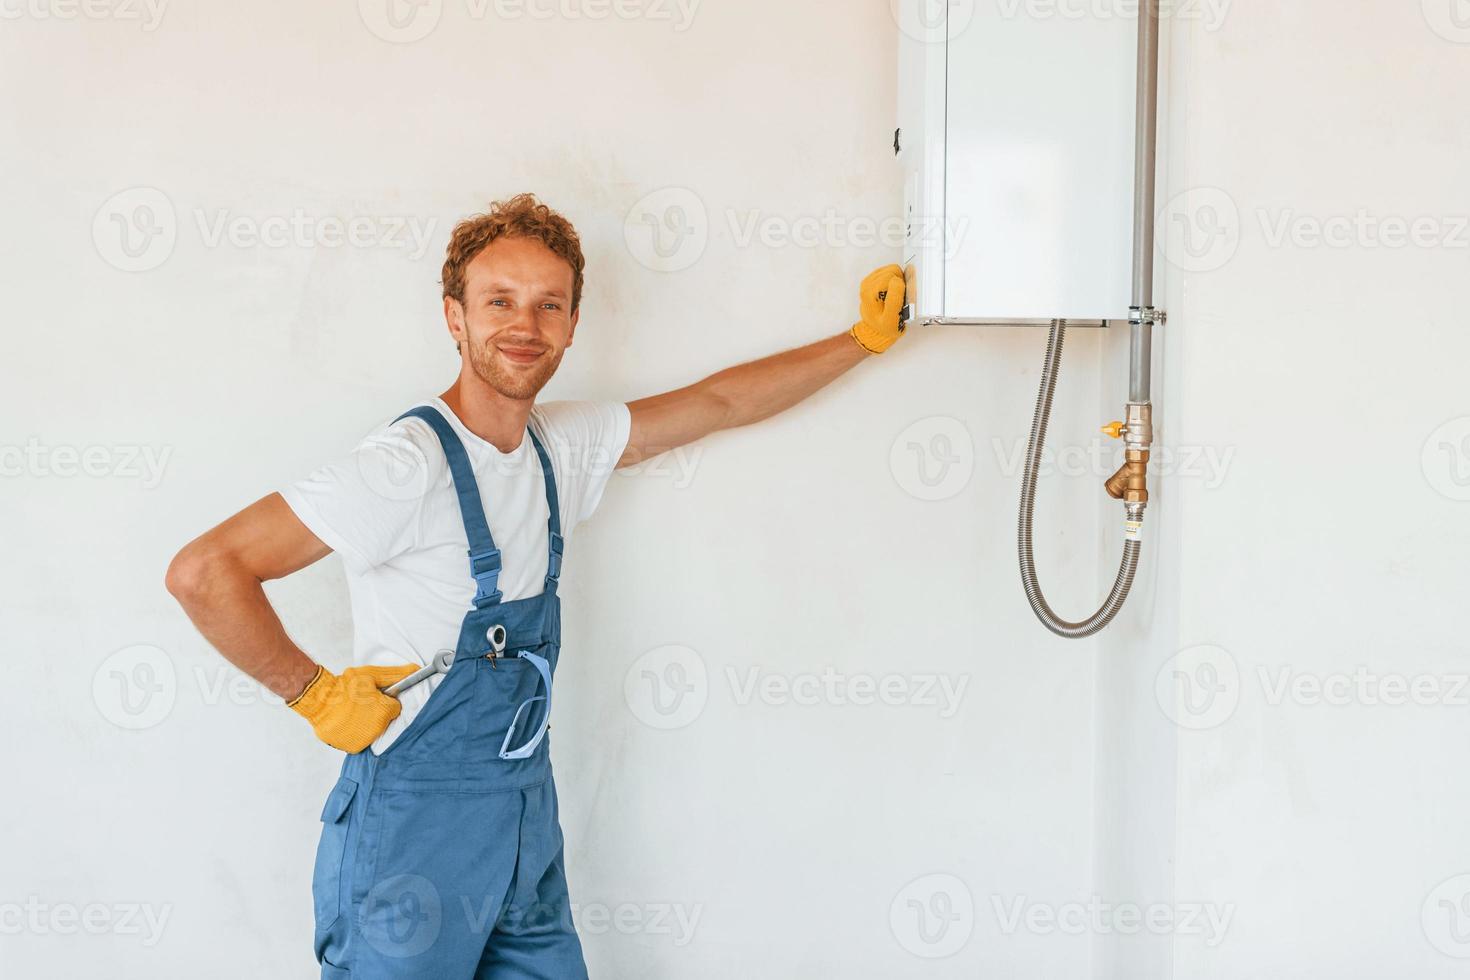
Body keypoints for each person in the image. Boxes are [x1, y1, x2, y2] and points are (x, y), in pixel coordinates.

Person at [165, 192, 908, 979]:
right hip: (413, 832)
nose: (526, 326)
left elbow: (719, 402)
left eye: (548, 305)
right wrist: (312, 692)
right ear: (454, 317)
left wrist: (861, 342)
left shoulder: (560, 447)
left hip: (524, 822)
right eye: (500, 302)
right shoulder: (405, 466)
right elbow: (205, 571)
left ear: (573, 324)